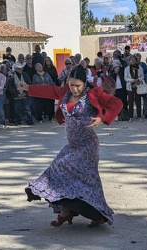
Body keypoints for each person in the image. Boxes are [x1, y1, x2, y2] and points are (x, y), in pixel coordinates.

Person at [18, 65, 123, 227]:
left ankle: (98, 215)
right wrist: (28, 88)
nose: (74, 89)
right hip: (73, 145)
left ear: (84, 83)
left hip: (88, 146)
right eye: (72, 84)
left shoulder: (93, 93)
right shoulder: (65, 93)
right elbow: (49, 90)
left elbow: (116, 103)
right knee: (57, 172)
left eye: (78, 85)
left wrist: (103, 118)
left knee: (88, 182)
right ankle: (66, 212)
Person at [124, 55, 144, 122]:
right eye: (131, 59)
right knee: (130, 101)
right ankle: (130, 116)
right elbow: (126, 78)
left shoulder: (140, 68)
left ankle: (139, 116)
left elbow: (142, 76)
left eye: (134, 59)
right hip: (130, 86)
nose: (133, 60)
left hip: (138, 85)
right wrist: (133, 80)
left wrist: (138, 79)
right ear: (129, 61)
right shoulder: (127, 68)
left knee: (138, 101)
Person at [134, 53, 147, 119]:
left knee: (145, 99)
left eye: (139, 58)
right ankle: (138, 114)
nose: (138, 59)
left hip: (143, 83)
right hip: (136, 84)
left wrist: (143, 77)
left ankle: (146, 113)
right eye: (137, 58)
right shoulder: (132, 65)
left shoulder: (143, 64)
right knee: (137, 100)